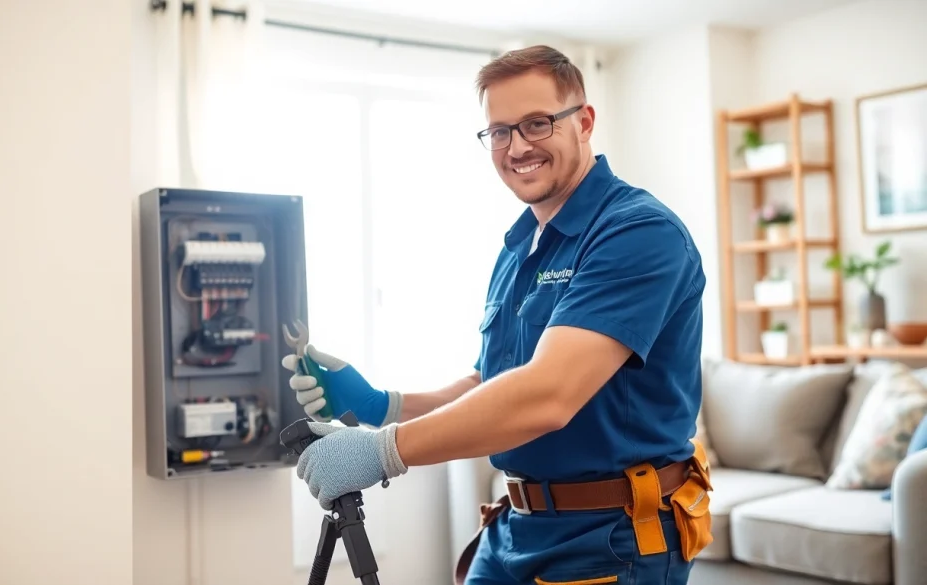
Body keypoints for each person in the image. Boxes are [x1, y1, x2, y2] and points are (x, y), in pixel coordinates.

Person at [282, 45, 714, 585]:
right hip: (514, 530)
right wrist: (382, 406)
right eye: (500, 131)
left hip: (611, 540)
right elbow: (494, 384)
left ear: (584, 122)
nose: (517, 147)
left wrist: (384, 451)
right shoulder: (518, 248)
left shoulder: (637, 233)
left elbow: (548, 394)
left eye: (536, 123)